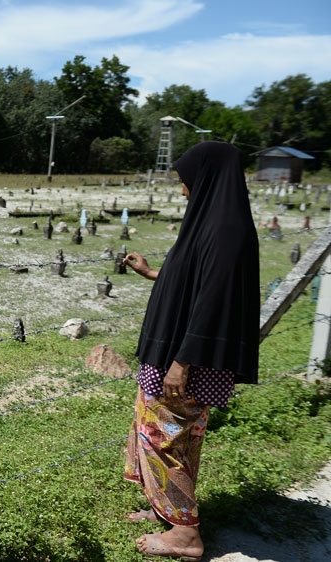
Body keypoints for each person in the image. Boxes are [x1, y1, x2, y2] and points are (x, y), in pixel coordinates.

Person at [124, 141, 259, 561]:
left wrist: (182, 362)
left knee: (161, 437)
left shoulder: (224, 231)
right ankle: (168, 510)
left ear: (206, 177)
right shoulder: (214, 222)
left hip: (187, 361)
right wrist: (152, 272)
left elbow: (214, 301)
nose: (182, 189)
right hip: (183, 354)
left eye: (185, 180)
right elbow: (196, 280)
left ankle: (184, 535)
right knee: (178, 440)